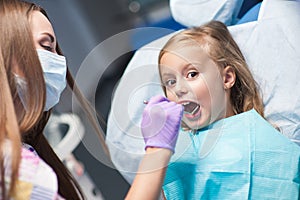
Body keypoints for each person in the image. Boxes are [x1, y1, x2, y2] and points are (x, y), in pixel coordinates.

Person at [127, 20, 300, 199]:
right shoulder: (178, 154)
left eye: (192, 74)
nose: (178, 89)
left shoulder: (265, 144)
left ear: (226, 78)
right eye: (170, 82)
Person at [0, 0, 108, 199]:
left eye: (55, 48)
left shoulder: (27, 153)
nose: (58, 59)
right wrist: (156, 152)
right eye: (47, 46)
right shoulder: (12, 166)